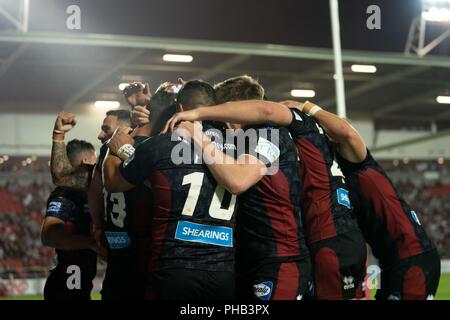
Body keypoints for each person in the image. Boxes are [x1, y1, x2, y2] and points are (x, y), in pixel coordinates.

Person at [161, 75, 366, 300]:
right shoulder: (239, 141)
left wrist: (198, 132)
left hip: (279, 262)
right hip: (254, 261)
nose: (219, 120)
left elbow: (237, 181)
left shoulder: (270, 133)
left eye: (222, 111)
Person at [291, 101, 440, 300]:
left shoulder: (358, 163)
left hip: (411, 256)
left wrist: (306, 107)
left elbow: (347, 133)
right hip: (396, 260)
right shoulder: (334, 179)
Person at [103, 80, 236, 300]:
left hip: (173, 267)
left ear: (180, 109)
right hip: (223, 270)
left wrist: (114, 149)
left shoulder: (159, 146)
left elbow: (113, 181)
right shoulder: (237, 147)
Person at [42, 117, 104, 299]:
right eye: (95, 159)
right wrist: (91, 244)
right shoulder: (66, 194)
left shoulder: (87, 192)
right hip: (69, 282)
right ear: (86, 161)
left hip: (79, 279)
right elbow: (48, 235)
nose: (97, 163)